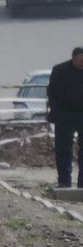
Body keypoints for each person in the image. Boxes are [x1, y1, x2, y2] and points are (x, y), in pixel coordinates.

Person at [47, 46, 83, 188]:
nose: (82, 64)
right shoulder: (60, 71)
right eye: (80, 60)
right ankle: (64, 181)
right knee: (63, 150)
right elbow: (51, 92)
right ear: (73, 58)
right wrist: (56, 111)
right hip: (64, 115)